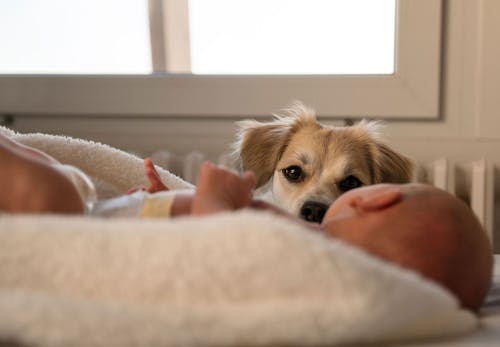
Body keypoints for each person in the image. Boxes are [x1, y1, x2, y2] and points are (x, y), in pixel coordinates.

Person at [0, 133, 493, 312]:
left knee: (41, 181)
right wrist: (162, 206)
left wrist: (209, 200)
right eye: (295, 175)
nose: (315, 201)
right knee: (39, 166)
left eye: (348, 185)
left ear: (374, 196)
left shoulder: (303, 259)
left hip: (78, 231)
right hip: (106, 218)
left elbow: (223, 251)